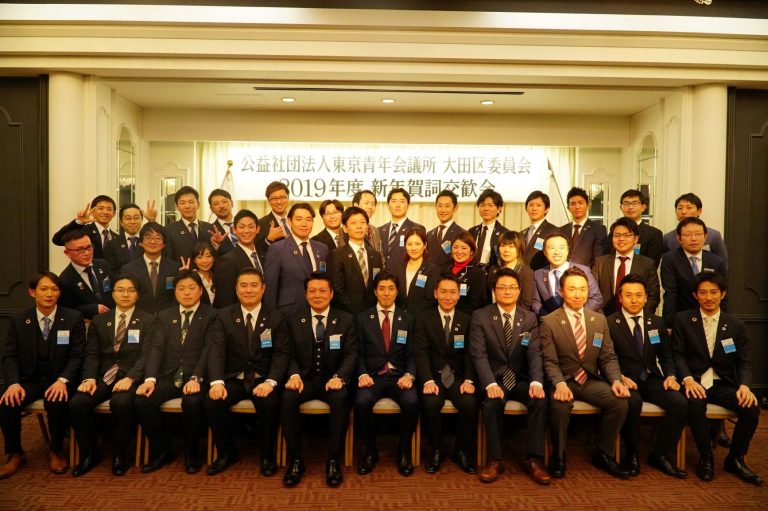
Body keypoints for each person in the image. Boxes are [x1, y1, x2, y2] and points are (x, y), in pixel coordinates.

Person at [540, 267, 630, 479]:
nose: (578, 294)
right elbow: (549, 361)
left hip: (589, 380)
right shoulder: (549, 321)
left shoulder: (598, 320)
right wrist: (559, 384)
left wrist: (616, 380)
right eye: (572, 289)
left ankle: (604, 453)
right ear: (561, 292)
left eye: (582, 289)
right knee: (560, 406)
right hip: (564, 381)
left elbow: (608, 357)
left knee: (620, 402)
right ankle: (558, 456)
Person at [673, 272, 762, 486]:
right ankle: (706, 457)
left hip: (722, 383)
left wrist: (744, 385)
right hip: (694, 382)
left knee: (751, 408)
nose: (708, 297)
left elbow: (744, 361)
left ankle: (735, 458)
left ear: (723, 294)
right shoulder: (683, 320)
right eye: (703, 292)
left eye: (713, 292)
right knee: (695, 404)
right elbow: (678, 354)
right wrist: (687, 379)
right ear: (695, 295)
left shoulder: (735, 325)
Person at [69, 275, 160, 477]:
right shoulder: (100, 320)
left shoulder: (149, 319)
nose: (125, 294)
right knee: (78, 403)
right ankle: (89, 453)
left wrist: (131, 378)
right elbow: (92, 354)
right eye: (120, 290)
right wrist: (89, 378)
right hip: (104, 375)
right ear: (113, 294)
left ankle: (120, 455)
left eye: (131, 290)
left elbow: (147, 354)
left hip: (131, 375)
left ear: (138, 294)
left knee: (121, 403)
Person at [205, 268, 290, 476]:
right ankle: (227, 453)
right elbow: (216, 351)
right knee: (212, 401)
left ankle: (267, 456)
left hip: (263, 378)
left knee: (270, 403)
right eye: (243, 285)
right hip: (234, 378)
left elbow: (281, 354)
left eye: (254, 285)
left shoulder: (276, 316)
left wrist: (271, 382)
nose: (249, 290)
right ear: (236, 289)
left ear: (263, 288)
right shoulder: (224, 316)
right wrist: (216, 382)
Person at [0, 273, 86, 479]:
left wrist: (63, 380)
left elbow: (77, 356)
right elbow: (9, 356)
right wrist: (13, 383)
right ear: (32, 292)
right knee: (7, 402)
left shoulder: (73, 318)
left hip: (60, 378)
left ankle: (56, 450)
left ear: (59, 293)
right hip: (30, 379)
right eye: (44, 289)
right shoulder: (19, 320)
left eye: (54, 290)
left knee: (57, 400)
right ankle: (15, 453)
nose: (49, 294)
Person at [470, 268, 549, 484]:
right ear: (494, 291)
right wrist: (489, 384)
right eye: (502, 287)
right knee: (492, 402)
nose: (507, 291)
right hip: (495, 380)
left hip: (520, 379)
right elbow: (478, 354)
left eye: (512, 287)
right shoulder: (480, 316)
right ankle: (495, 460)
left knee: (539, 400)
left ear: (519, 290)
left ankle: (534, 459)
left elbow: (534, 353)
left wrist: (536, 382)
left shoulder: (529, 318)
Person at [281, 273, 358, 487]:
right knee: (287, 398)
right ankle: (295, 460)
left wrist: (340, 377)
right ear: (306, 295)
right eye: (312, 291)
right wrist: (294, 375)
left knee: (340, 398)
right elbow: (286, 354)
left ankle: (333, 460)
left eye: (322, 291)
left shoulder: (346, 319)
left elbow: (351, 354)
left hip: (331, 379)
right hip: (304, 379)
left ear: (331, 294)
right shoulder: (293, 319)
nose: (317, 295)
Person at [134, 270, 215, 474]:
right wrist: (150, 379)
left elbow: (210, 350)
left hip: (197, 377)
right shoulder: (164, 316)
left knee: (192, 402)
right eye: (181, 288)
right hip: (170, 375)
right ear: (175, 292)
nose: (186, 293)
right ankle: (163, 450)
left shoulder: (212, 315)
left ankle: (192, 453)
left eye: (191, 288)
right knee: (143, 400)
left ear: (200, 291)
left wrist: (197, 377)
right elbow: (156, 348)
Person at [607, 273, 687, 478]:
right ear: (620, 297)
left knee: (679, 402)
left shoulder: (657, 323)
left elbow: (666, 356)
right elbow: (605, 357)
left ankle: (660, 454)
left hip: (651, 378)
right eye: (628, 295)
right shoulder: (609, 323)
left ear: (645, 298)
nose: (634, 300)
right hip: (626, 379)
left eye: (638, 295)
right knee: (632, 403)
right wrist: (618, 377)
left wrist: (671, 376)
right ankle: (632, 455)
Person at [354, 271, 418, 477]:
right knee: (361, 402)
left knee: (412, 402)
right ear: (375, 291)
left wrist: (410, 375)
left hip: (399, 377)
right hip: (373, 377)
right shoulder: (363, 318)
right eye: (381, 288)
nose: (386, 293)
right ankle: (370, 451)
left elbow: (412, 354)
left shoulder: (407, 319)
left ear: (397, 291)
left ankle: (403, 452)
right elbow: (357, 352)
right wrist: (362, 374)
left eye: (391, 288)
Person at [413, 274, 477, 475]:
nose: (448, 297)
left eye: (452, 292)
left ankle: (461, 451)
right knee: (431, 403)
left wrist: (469, 379)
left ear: (459, 295)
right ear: (435, 293)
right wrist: (427, 380)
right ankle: (436, 450)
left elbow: (470, 353)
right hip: (433, 376)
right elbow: (420, 352)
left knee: (470, 403)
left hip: (458, 377)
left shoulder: (467, 319)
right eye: (443, 292)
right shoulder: (423, 318)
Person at [661, 217, 728, 326]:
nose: (693, 239)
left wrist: (724, 321)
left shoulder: (717, 262)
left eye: (698, 234)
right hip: (681, 318)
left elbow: (723, 295)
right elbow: (670, 294)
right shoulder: (670, 259)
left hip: (710, 318)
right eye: (687, 235)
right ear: (679, 239)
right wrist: (668, 324)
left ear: (705, 237)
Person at [264, 203, 329, 311]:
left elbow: (324, 279)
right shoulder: (277, 249)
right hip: (288, 312)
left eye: (308, 219)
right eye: (299, 219)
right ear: (289, 221)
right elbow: (270, 288)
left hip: (317, 310)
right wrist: (271, 316)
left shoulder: (322, 248)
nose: (304, 224)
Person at [593, 217, 660, 316]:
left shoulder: (647, 264)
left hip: (637, 319)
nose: (621, 239)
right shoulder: (600, 262)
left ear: (636, 239)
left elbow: (653, 296)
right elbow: (593, 293)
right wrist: (601, 317)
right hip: (605, 318)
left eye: (626, 235)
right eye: (617, 235)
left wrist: (638, 316)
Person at [328, 206, 382, 316]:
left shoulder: (375, 255)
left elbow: (377, 284)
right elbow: (338, 290)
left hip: (372, 314)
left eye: (362, 222)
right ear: (345, 228)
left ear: (367, 227)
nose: (359, 226)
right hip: (347, 314)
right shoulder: (337, 255)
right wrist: (356, 313)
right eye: (353, 223)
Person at [532, 233, 602, 317]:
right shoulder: (538, 274)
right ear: (545, 252)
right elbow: (535, 302)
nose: (557, 252)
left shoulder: (583, 270)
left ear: (567, 250)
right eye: (552, 248)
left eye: (561, 247)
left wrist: (576, 315)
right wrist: (550, 320)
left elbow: (596, 298)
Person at [120, 222, 181, 314]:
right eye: (148, 237)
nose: (153, 242)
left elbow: (176, 296)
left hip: (167, 317)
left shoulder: (175, 268)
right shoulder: (129, 269)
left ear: (164, 244)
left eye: (158, 238)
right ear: (141, 242)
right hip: (139, 317)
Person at [212, 209, 264, 308]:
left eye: (251, 226)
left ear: (258, 229)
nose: (246, 231)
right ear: (234, 230)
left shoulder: (264, 255)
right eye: (242, 227)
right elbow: (225, 300)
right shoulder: (227, 261)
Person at [58, 229, 115, 320]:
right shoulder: (65, 279)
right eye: (80, 250)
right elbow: (65, 310)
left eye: (89, 247)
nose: (87, 253)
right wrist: (92, 309)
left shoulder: (103, 265)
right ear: (67, 253)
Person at [663, 193, 728, 262]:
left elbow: (723, 262)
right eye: (680, 208)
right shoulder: (668, 237)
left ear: (699, 211)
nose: (683, 212)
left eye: (689, 208)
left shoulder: (713, 235)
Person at [52, 195, 118, 260]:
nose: (105, 212)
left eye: (109, 209)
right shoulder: (83, 231)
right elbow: (57, 239)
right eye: (101, 208)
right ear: (92, 211)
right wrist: (79, 222)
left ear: (114, 213)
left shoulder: (117, 238)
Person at [378, 187, 426, 274]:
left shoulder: (417, 229)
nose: (398, 205)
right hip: (383, 279)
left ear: (408, 205)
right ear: (388, 205)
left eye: (402, 201)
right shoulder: (380, 230)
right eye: (394, 201)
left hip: (405, 276)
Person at [559, 187, 608, 268]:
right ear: (568, 208)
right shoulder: (561, 230)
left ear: (588, 205)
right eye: (573, 204)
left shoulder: (598, 229)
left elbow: (599, 260)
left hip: (587, 274)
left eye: (580, 203)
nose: (577, 207)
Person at [486, 231, 535, 311]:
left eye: (511, 246)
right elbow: (487, 298)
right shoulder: (493, 270)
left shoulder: (526, 273)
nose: (506, 250)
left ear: (519, 249)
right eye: (503, 246)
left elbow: (526, 303)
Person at [395, 228, 438, 314]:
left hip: (422, 317)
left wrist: (411, 315)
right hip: (400, 316)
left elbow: (431, 299)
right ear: (405, 246)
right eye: (409, 244)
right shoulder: (399, 268)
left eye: (417, 244)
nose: (413, 248)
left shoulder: (432, 269)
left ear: (425, 245)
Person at [166, 186, 214, 262]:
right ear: (177, 206)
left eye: (191, 202)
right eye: (182, 203)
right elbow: (168, 258)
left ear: (198, 204)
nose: (187, 206)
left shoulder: (209, 228)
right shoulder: (169, 230)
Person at [445, 232, 489, 315]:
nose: (459, 251)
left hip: (465, 317)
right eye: (455, 247)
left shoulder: (478, 273)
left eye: (464, 248)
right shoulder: (442, 268)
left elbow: (476, 304)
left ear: (471, 251)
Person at [618, 189, 664, 268]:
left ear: (643, 207)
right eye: (626, 203)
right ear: (621, 207)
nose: (630, 207)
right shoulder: (614, 232)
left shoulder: (654, 234)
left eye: (635, 203)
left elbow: (652, 265)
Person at [425, 190, 467, 269]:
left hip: (450, 275)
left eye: (447, 206)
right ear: (435, 207)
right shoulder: (429, 234)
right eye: (440, 206)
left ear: (455, 208)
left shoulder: (462, 233)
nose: (443, 210)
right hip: (430, 275)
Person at [519, 190, 559, 271]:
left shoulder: (554, 231)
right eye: (531, 205)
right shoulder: (521, 234)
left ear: (546, 209)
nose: (534, 208)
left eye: (538, 205)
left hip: (542, 275)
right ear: (526, 208)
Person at [468, 189, 509, 267]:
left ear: (499, 209)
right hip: (472, 271)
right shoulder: (471, 231)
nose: (486, 209)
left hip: (493, 272)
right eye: (482, 205)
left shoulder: (505, 233)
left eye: (490, 205)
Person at [103, 203, 146, 273]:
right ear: (121, 222)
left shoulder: (148, 242)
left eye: (136, 218)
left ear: (141, 220)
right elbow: (110, 271)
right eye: (128, 218)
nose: (132, 222)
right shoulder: (112, 244)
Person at [255, 181, 291, 256]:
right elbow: (256, 252)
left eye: (282, 197)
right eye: (274, 198)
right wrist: (269, 239)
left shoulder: (295, 220)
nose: (279, 202)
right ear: (268, 201)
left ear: (288, 198)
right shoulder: (260, 224)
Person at [207, 188, 237, 256]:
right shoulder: (210, 231)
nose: (221, 206)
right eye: (216, 204)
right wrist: (215, 246)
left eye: (224, 201)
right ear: (211, 209)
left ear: (232, 203)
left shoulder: (245, 224)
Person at [352, 189, 382, 253]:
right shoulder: (346, 229)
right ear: (356, 205)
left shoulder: (375, 230)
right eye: (366, 203)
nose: (370, 207)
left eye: (373, 204)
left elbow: (380, 254)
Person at [190, 241, 216, 306]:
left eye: (208, 256)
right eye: (199, 257)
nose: (204, 261)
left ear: (214, 258)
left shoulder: (219, 276)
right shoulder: (191, 279)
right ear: (194, 260)